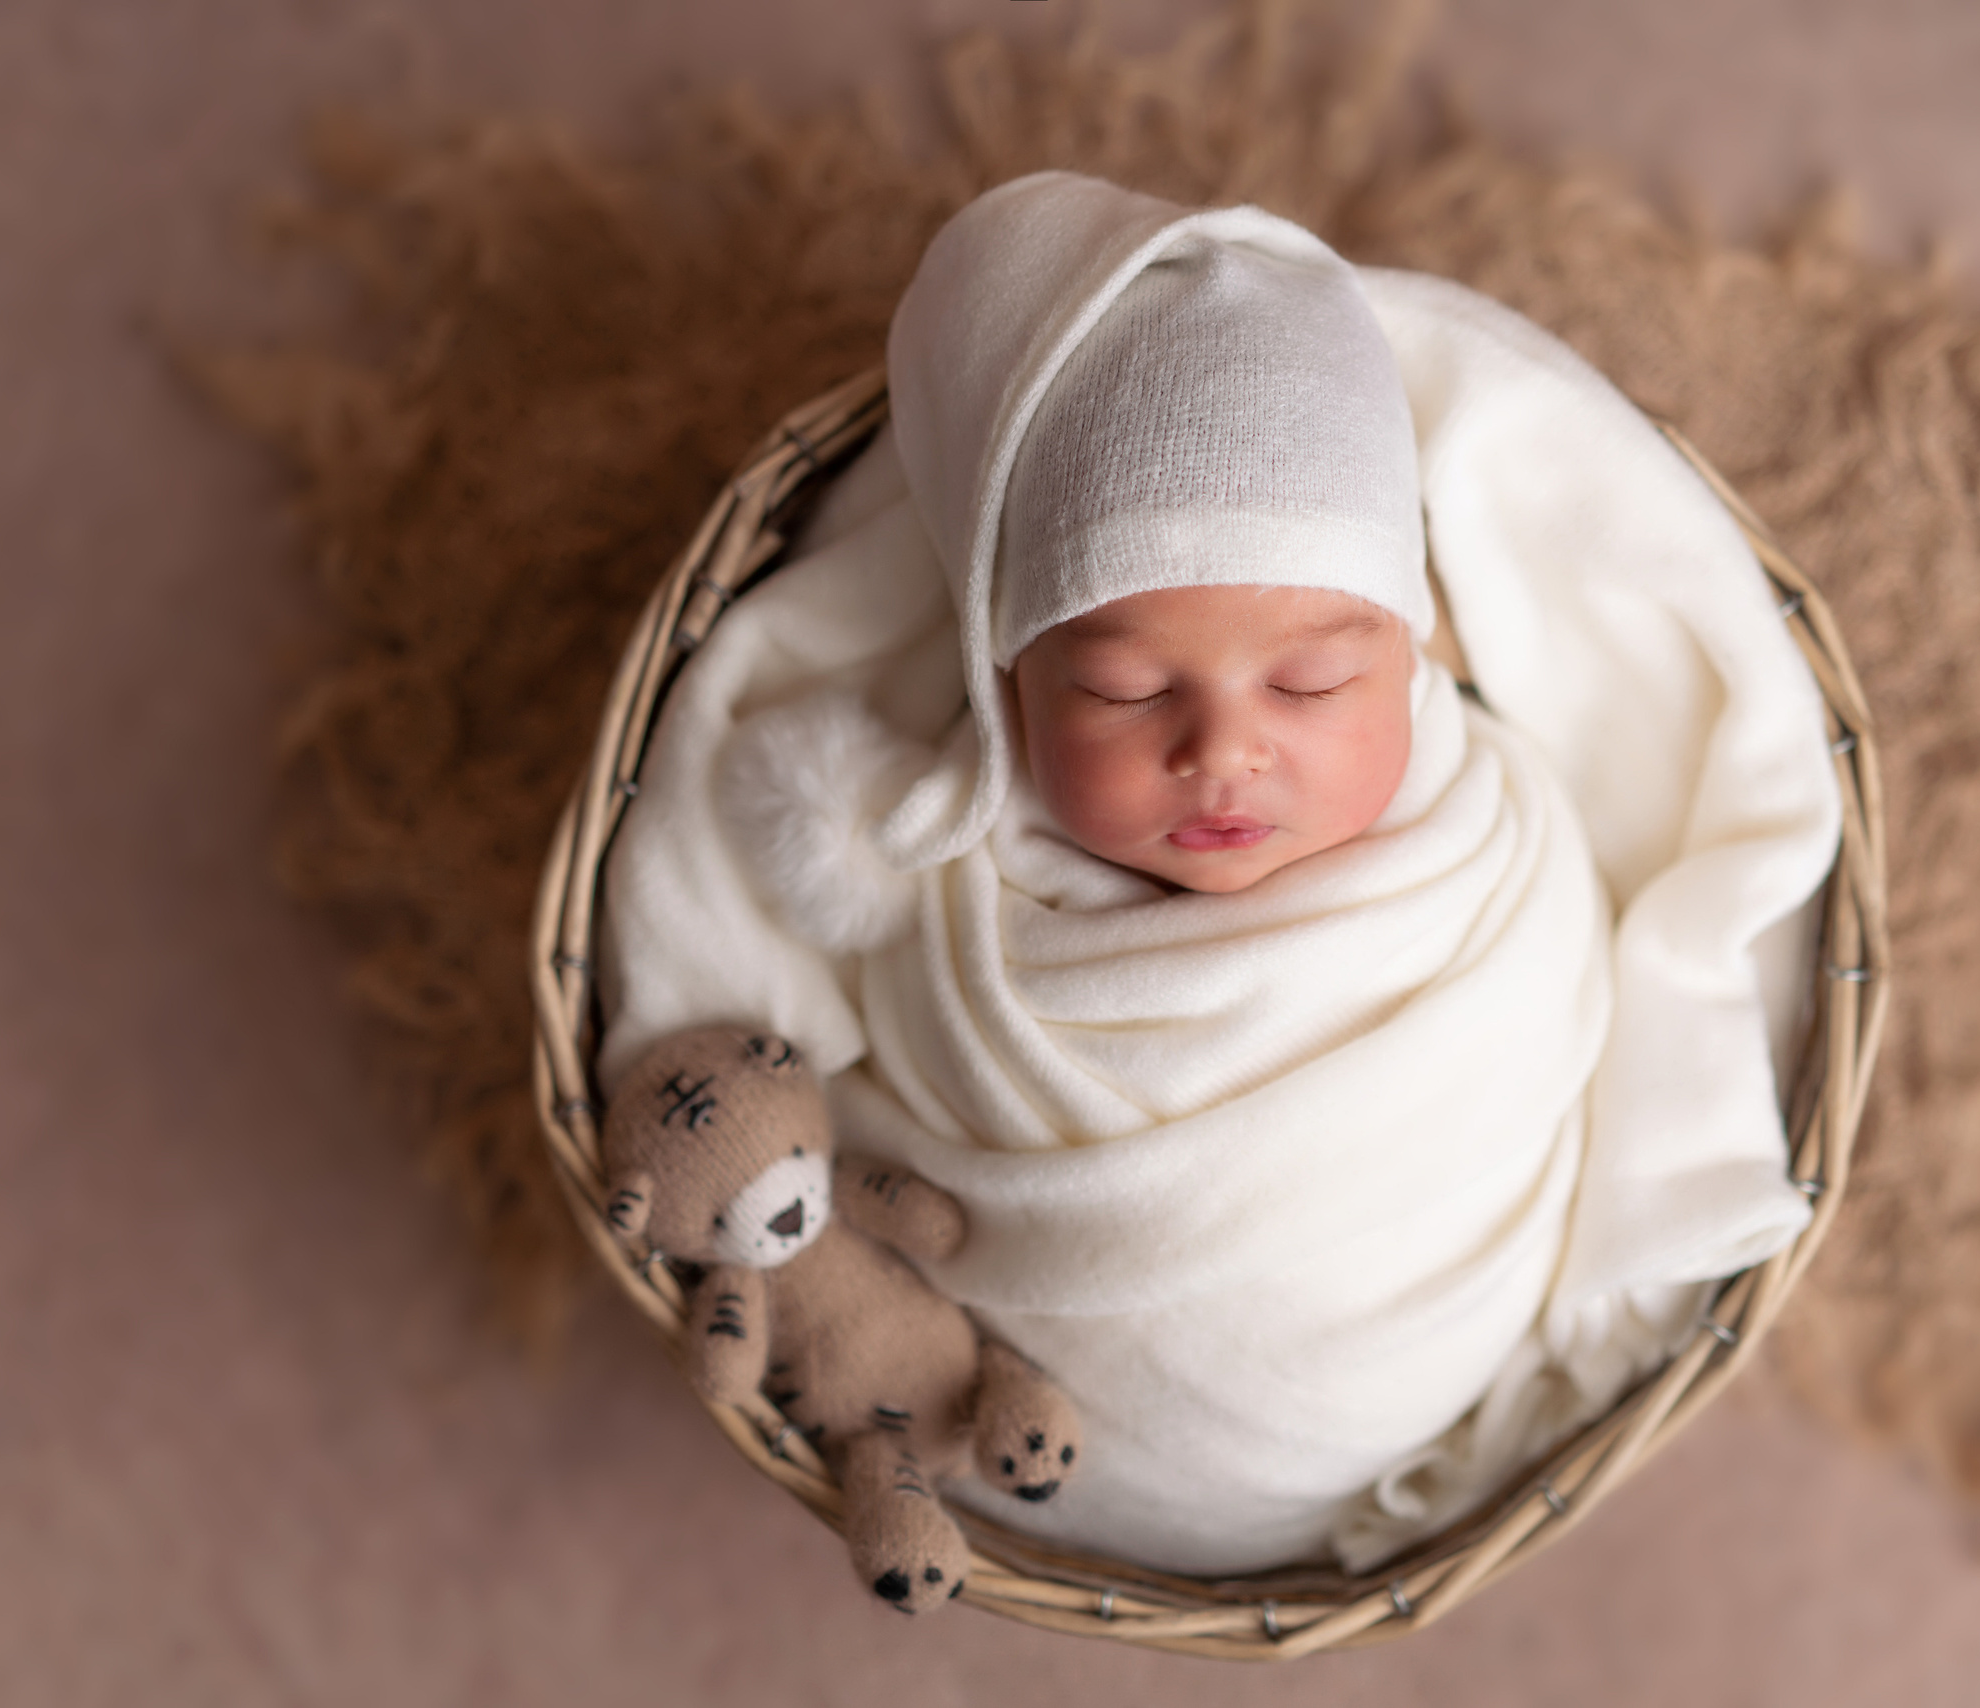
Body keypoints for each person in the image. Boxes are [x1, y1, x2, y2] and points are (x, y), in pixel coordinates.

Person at [600, 172, 1841, 1573]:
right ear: (1002, 680)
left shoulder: (1493, 860)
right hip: (1001, 1414)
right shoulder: (935, 872)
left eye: (1313, 683)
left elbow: (1589, 1033)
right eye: (1126, 692)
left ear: (1425, 647)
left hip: (1410, 1348)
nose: (1223, 751)